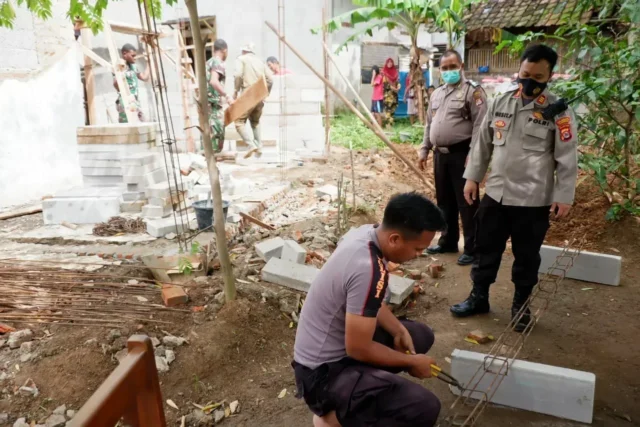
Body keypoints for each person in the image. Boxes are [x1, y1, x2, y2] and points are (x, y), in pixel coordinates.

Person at [452, 44, 578, 333]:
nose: (529, 80)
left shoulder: (558, 111)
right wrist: (472, 178)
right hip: (496, 193)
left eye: (537, 76)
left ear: (549, 76)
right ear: (518, 70)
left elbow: (567, 156)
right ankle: (478, 297)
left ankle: (521, 306)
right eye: (525, 73)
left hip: (533, 200)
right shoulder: (501, 101)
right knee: (485, 249)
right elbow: (482, 142)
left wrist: (564, 195)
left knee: (527, 257)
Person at [293, 192, 446, 427]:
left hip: (339, 350)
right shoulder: (368, 268)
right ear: (394, 239)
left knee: (418, 336)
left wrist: (398, 331)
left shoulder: (367, 234)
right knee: (424, 408)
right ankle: (332, 417)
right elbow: (357, 348)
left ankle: (361, 394)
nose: (419, 255)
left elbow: (365, 302)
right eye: (417, 249)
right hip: (321, 376)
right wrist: (410, 363)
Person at [418, 50, 488, 266]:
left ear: (461, 65)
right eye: (445, 68)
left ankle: (473, 248)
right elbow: (430, 123)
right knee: (445, 202)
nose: (449, 71)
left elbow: (481, 126)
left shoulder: (473, 92)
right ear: (440, 70)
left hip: (462, 155)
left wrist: (474, 157)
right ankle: (448, 241)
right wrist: (424, 149)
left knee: (467, 203)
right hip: (441, 155)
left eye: (452, 66)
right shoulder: (437, 93)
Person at [234, 43, 274, 158]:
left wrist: (235, 91)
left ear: (243, 51)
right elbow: (270, 79)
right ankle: (259, 146)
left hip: (248, 94)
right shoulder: (260, 61)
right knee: (255, 122)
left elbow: (237, 75)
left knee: (239, 122)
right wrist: (266, 94)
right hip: (260, 95)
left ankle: (251, 146)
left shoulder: (241, 59)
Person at [205, 39, 233, 153]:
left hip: (208, 104)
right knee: (217, 133)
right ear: (224, 50)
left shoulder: (209, 62)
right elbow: (214, 81)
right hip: (214, 103)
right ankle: (213, 163)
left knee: (209, 133)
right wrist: (227, 95)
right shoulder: (218, 63)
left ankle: (210, 162)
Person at [114, 43, 149, 123]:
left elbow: (144, 77)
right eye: (132, 55)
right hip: (126, 102)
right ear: (124, 54)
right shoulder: (119, 66)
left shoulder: (133, 66)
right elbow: (115, 84)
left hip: (135, 102)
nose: (135, 58)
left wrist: (149, 62)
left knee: (143, 123)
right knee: (129, 125)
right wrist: (121, 74)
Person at [381, 58, 401, 128]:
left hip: (394, 96)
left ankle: (390, 125)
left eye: (391, 62)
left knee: (392, 110)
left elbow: (398, 82)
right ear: (386, 63)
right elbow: (386, 85)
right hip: (388, 96)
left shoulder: (395, 73)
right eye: (388, 62)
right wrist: (394, 89)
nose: (390, 63)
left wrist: (398, 87)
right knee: (388, 111)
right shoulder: (384, 73)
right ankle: (388, 126)